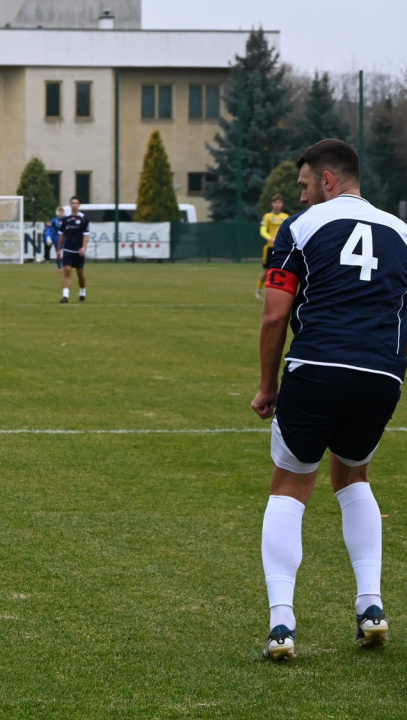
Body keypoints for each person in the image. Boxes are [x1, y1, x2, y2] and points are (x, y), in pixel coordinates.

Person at [252, 139, 407, 661]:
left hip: (318, 366)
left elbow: (275, 314)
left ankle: (281, 624)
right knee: (353, 475)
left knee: (292, 483)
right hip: (382, 374)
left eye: (303, 186)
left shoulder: (301, 228)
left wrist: (268, 386)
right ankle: (371, 606)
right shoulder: (402, 232)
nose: (299, 198)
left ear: (328, 181)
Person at [256, 194, 289, 299]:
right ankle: (258, 290)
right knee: (267, 271)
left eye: (279, 202)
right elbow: (262, 231)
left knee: (281, 270)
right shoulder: (267, 217)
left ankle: (277, 292)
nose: (277, 205)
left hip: (282, 248)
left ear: (282, 204)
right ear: (272, 204)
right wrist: (270, 238)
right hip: (270, 247)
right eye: (275, 202)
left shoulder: (285, 217)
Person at [58, 196, 90, 303]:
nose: (74, 205)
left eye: (76, 203)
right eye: (72, 203)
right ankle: (65, 296)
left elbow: (86, 235)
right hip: (68, 250)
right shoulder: (65, 218)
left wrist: (83, 247)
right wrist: (58, 249)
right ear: (70, 204)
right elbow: (61, 235)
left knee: (80, 274)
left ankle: (82, 292)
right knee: (67, 271)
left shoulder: (83, 218)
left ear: (79, 205)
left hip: (78, 251)